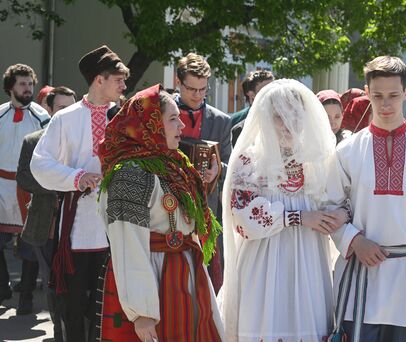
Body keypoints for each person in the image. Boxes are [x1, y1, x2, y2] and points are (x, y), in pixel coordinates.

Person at [326, 56, 406, 342]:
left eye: (394, 95)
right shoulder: (347, 151)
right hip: (360, 276)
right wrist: (354, 240)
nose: (386, 104)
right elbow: (329, 208)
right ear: (367, 92)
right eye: (378, 95)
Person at [219, 79, 348, 341]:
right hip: (264, 262)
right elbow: (243, 217)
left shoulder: (318, 161)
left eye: (295, 115)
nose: (288, 123)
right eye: (279, 116)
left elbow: (339, 201)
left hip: (309, 259)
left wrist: (342, 214)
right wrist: (299, 217)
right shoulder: (250, 161)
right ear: (266, 118)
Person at [97, 84, 223, 342]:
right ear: (150, 123)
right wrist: (142, 311)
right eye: (173, 119)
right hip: (154, 278)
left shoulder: (173, 164)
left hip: (185, 270)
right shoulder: (129, 175)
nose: (182, 128)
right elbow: (128, 243)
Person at [30, 45, 129, 341]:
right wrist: (76, 177)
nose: (124, 86)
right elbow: (40, 164)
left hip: (115, 228)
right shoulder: (65, 118)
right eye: (118, 80)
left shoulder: (124, 120)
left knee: (109, 307)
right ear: (99, 80)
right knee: (73, 308)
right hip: (77, 230)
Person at [16, 85, 76, 338]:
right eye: (62, 108)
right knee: (53, 284)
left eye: (72, 108)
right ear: (49, 110)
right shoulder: (33, 141)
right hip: (45, 226)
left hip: (77, 226)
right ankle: (60, 331)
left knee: (74, 285)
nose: (68, 113)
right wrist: (59, 182)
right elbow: (23, 178)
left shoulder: (82, 141)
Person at [174, 52, 231, 292]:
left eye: (203, 89)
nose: (197, 96)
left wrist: (218, 169)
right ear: (178, 83)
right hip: (167, 211)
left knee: (207, 284)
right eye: (191, 89)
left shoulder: (221, 120)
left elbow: (229, 165)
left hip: (206, 213)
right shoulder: (160, 112)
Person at [0, 64, 49, 307]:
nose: (28, 88)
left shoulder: (42, 118)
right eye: (22, 84)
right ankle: (2, 287)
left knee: (30, 241)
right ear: (10, 87)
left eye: (30, 83)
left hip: (28, 187)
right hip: (0, 185)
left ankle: (26, 295)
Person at [231, 69, 275, 146]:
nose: (271, 94)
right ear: (251, 94)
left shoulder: (281, 119)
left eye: (273, 89)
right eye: (265, 90)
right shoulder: (237, 120)